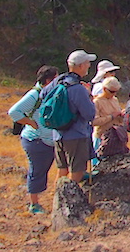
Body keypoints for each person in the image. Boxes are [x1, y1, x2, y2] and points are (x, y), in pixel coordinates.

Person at [8, 65, 59, 214]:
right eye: (56, 78)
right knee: (37, 171)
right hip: (35, 140)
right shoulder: (35, 95)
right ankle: (34, 204)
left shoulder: (48, 93)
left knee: (44, 170)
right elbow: (14, 112)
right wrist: (31, 122)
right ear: (49, 80)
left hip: (47, 139)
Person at [46, 49, 98, 184]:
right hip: (76, 135)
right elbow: (90, 114)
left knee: (62, 170)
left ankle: (57, 201)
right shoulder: (78, 88)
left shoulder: (58, 81)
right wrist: (89, 96)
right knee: (77, 172)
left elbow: (43, 95)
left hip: (58, 133)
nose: (89, 66)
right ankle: (70, 201)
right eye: (87, 63)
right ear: (80, 66)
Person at [93, 76, 128, 158]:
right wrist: (111, 116)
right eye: (112, 91)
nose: (114, 94)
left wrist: (122, 115)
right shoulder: (96, 102)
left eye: (116, 92)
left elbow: (118, 118)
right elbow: (94, 121)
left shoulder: (115, 100)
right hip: (102, 138)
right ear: (104, 89)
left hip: (116, 138)